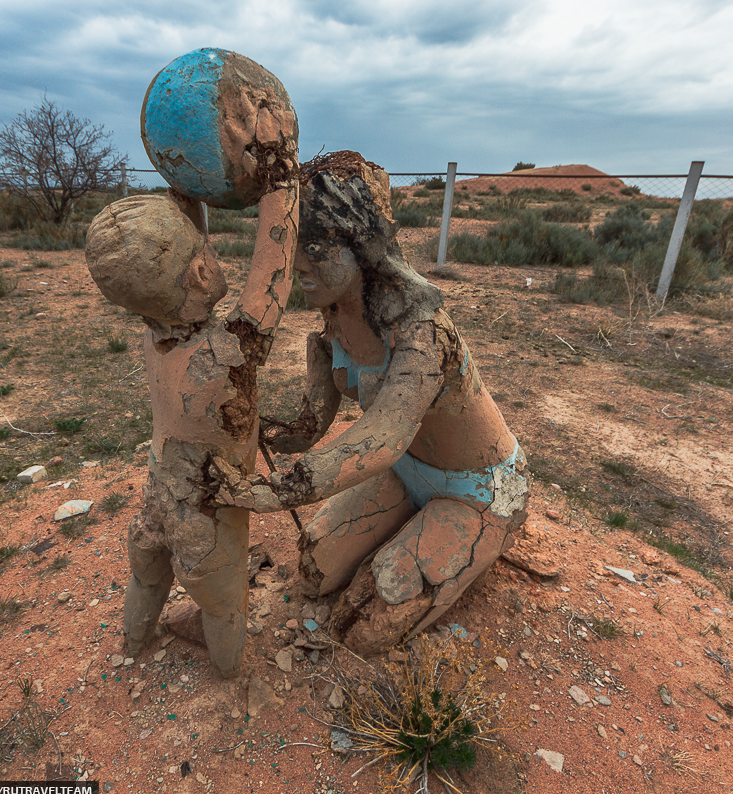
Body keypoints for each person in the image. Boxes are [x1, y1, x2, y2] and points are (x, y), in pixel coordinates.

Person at [214, 151, 529, 654]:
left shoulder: (423, 336)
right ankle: (408, 526)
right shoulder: (328, 334)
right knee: (315, 566)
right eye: (296, 246)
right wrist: (247, 427)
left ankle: (476, 533)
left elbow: (383, 437)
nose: (299, 266)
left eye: (316, 247)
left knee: (366, 627)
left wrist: (272, 493)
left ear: (362, 247)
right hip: (405, 471)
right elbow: (309, 425)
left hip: (478, 490)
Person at [85, 175, 297, 678]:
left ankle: (134, 643)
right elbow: (272, 271)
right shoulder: (225, 354)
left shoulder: (154, 332)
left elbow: (179, 258)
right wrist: (280, 179)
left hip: (159, 491)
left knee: (148, 573)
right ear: (201, 273)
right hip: (208, 512)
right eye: (205, 253)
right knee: (223, 607)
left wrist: (184, 188)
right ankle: (227, 679)